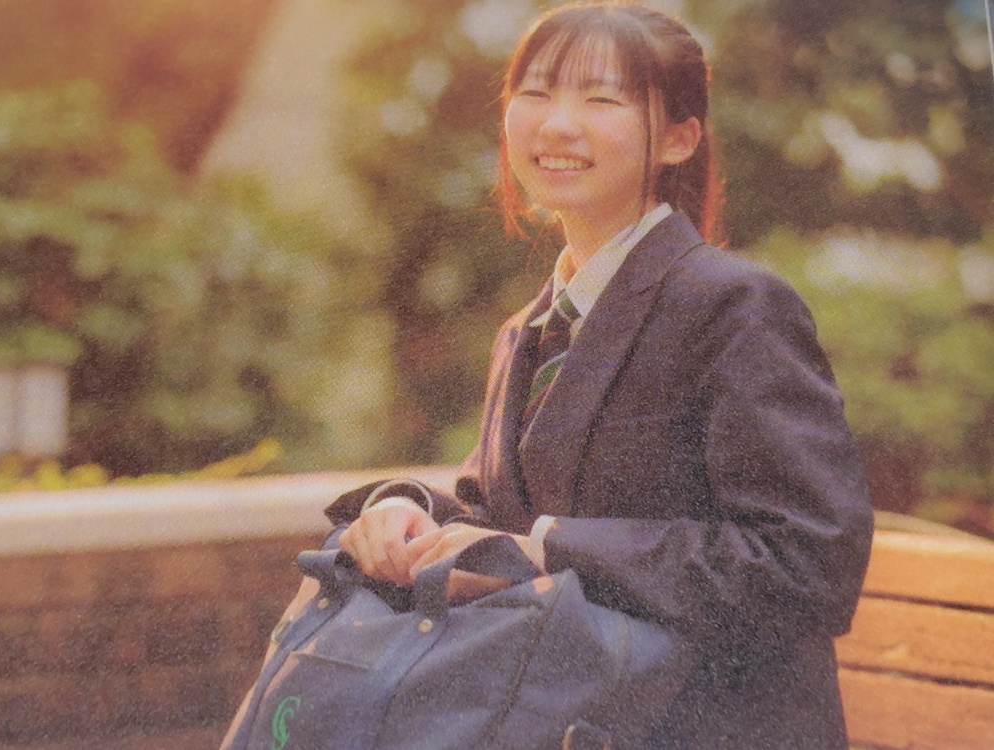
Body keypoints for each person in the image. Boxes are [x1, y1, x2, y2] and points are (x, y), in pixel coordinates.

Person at [331, 2, 874, 748]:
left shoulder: (735, 307)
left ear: (679, 139)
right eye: (536, 92)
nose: (558, 124)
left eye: (601, 99)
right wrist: (404, 509)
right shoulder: (528, 328)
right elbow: (501, 513)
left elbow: (806, 564)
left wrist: (550, 551)